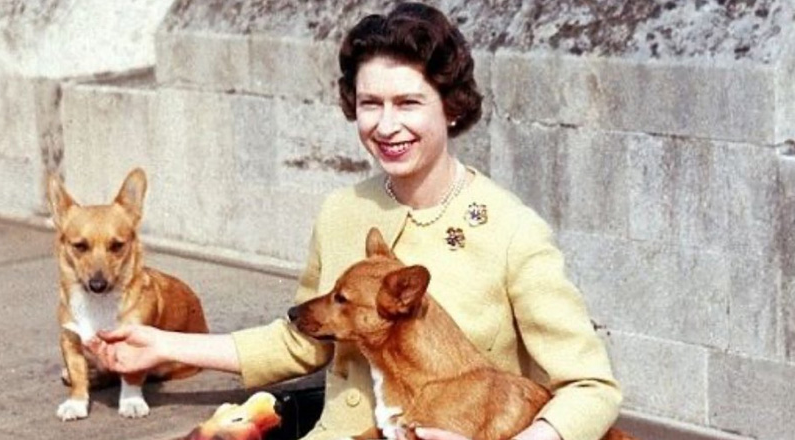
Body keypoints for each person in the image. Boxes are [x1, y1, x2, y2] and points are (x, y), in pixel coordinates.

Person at [90, 3, 622, 440]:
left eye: (408, 102)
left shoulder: (512, 230)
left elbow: (591, 387)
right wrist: (163, 343)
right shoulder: (343, 211)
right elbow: (303, 339)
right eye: (371, 103)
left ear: (451, 107)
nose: (386, 125)